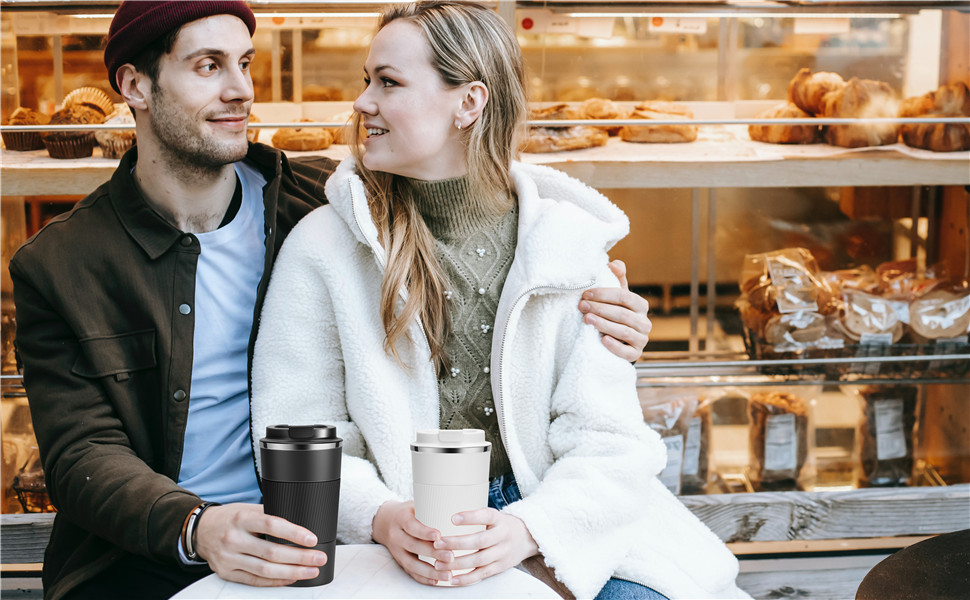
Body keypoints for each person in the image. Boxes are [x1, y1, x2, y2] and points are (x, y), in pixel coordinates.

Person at [8, 2, 652, 599]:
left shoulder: (318, 206)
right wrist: (197, 526)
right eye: (209, 66)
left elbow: (472, 213)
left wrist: (615, 318)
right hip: (160, 549)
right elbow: (82, 456)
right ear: (135, 86)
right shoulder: (62, 266)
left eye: (245, 63)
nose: (241, 89)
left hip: (325, 527)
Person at [251, 2, 747, 599]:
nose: (362, 103)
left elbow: (608, 441)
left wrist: (528, 530)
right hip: (398, 525)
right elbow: (297, 424)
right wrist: (381, 517)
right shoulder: (324, 247)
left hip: (552, 514)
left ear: (469, 103)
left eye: (389, 82)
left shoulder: (567, 246)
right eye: (366, 80)